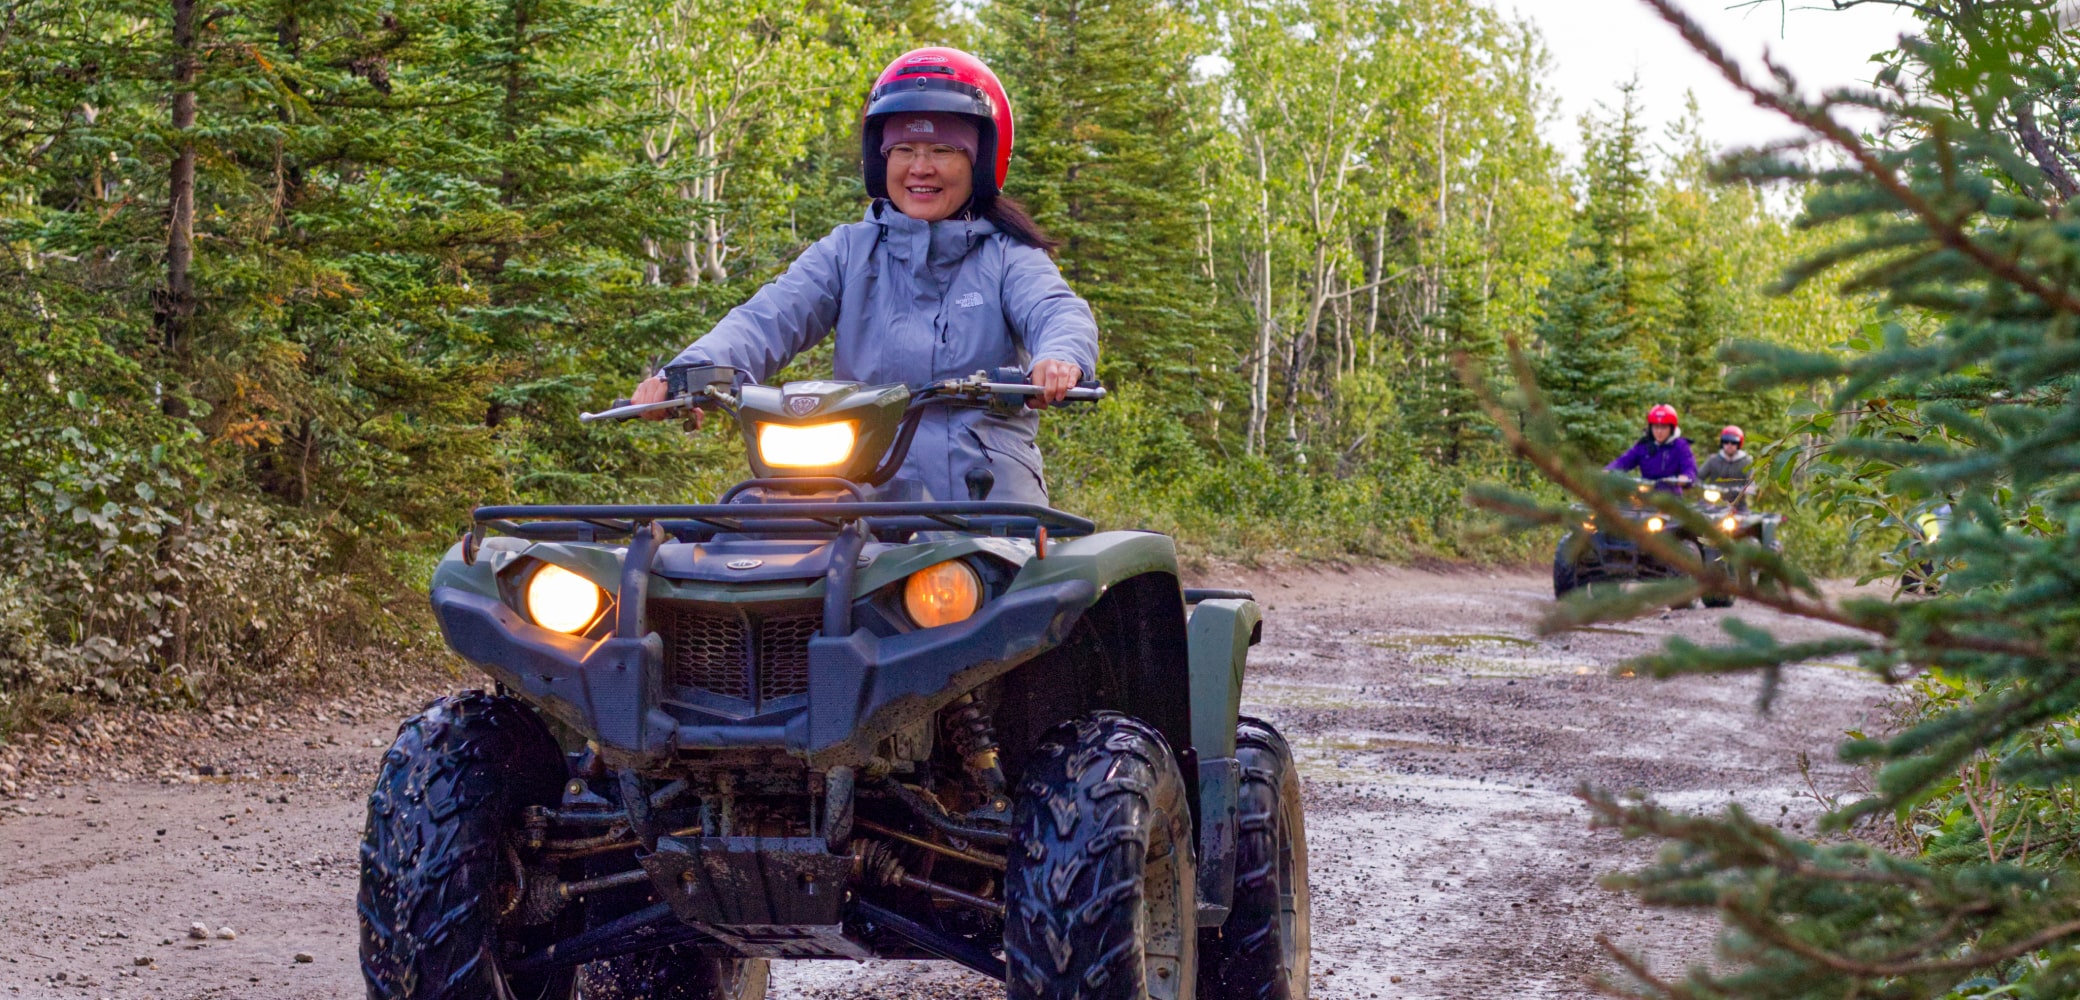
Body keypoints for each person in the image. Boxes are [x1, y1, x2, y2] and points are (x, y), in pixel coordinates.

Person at [627, 47, 1098, 506]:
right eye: (904, 149)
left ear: (979, 162)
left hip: (987, 498)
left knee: (1004, 582)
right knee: (751, 545)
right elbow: (767, 318)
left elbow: (1056, 310)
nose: (920, 167)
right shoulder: (850, 251)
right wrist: (686, 374)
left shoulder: (1008, 256)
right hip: (855, 490)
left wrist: (1059, 357)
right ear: (881, 160)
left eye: (942, 149)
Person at [1606, 404, 1699, 492]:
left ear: (1671, 428)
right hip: (1645, 494)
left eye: (1664, 427)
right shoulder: (1643, 445)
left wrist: (1685, 478)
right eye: (1656, 427)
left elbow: (1689, 468)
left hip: (1671, 498)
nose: (1659, 431)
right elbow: (1624, 460)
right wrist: (1608, 471)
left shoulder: (1680, 446)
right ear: (1651, 428)